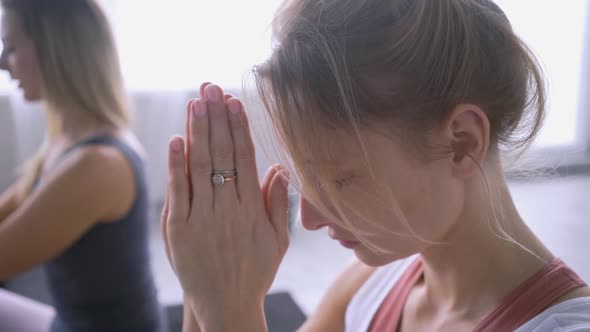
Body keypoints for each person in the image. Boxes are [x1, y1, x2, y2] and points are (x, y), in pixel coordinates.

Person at [162, 0, 590, 331]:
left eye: (340, 177)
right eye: (305, 175)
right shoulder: (370, 285)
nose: (308, 217)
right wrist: (208, 284)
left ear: (462, 142)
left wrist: (230, 310)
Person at [0, 0, 166, 331]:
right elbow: (13, 204)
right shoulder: (67, 137)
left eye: (12, 48)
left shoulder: (99, 166)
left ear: (55, 51)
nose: (3, 63)